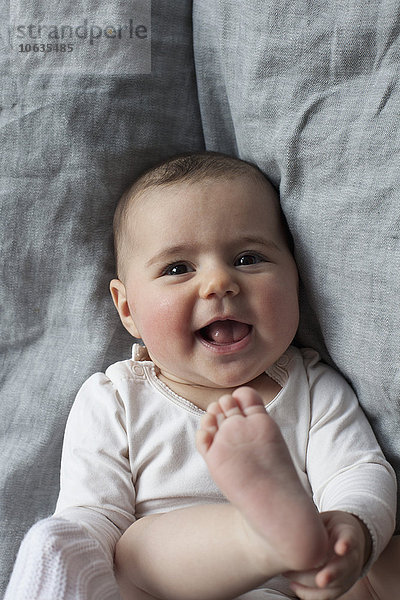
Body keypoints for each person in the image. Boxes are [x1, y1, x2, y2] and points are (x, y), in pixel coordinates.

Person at [5, 152, 397, 600]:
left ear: (296, 280)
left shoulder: (312, 387)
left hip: (304, 584)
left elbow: (358, 472)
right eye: (178, 268)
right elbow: (94, 519)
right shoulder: (115, 398)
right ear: (127, 308)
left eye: (248, 258)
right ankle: (262, 537)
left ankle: (291, 538)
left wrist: (354, 530)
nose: (218, 283)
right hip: (169, 590)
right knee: (129, 551)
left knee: (383, 561)